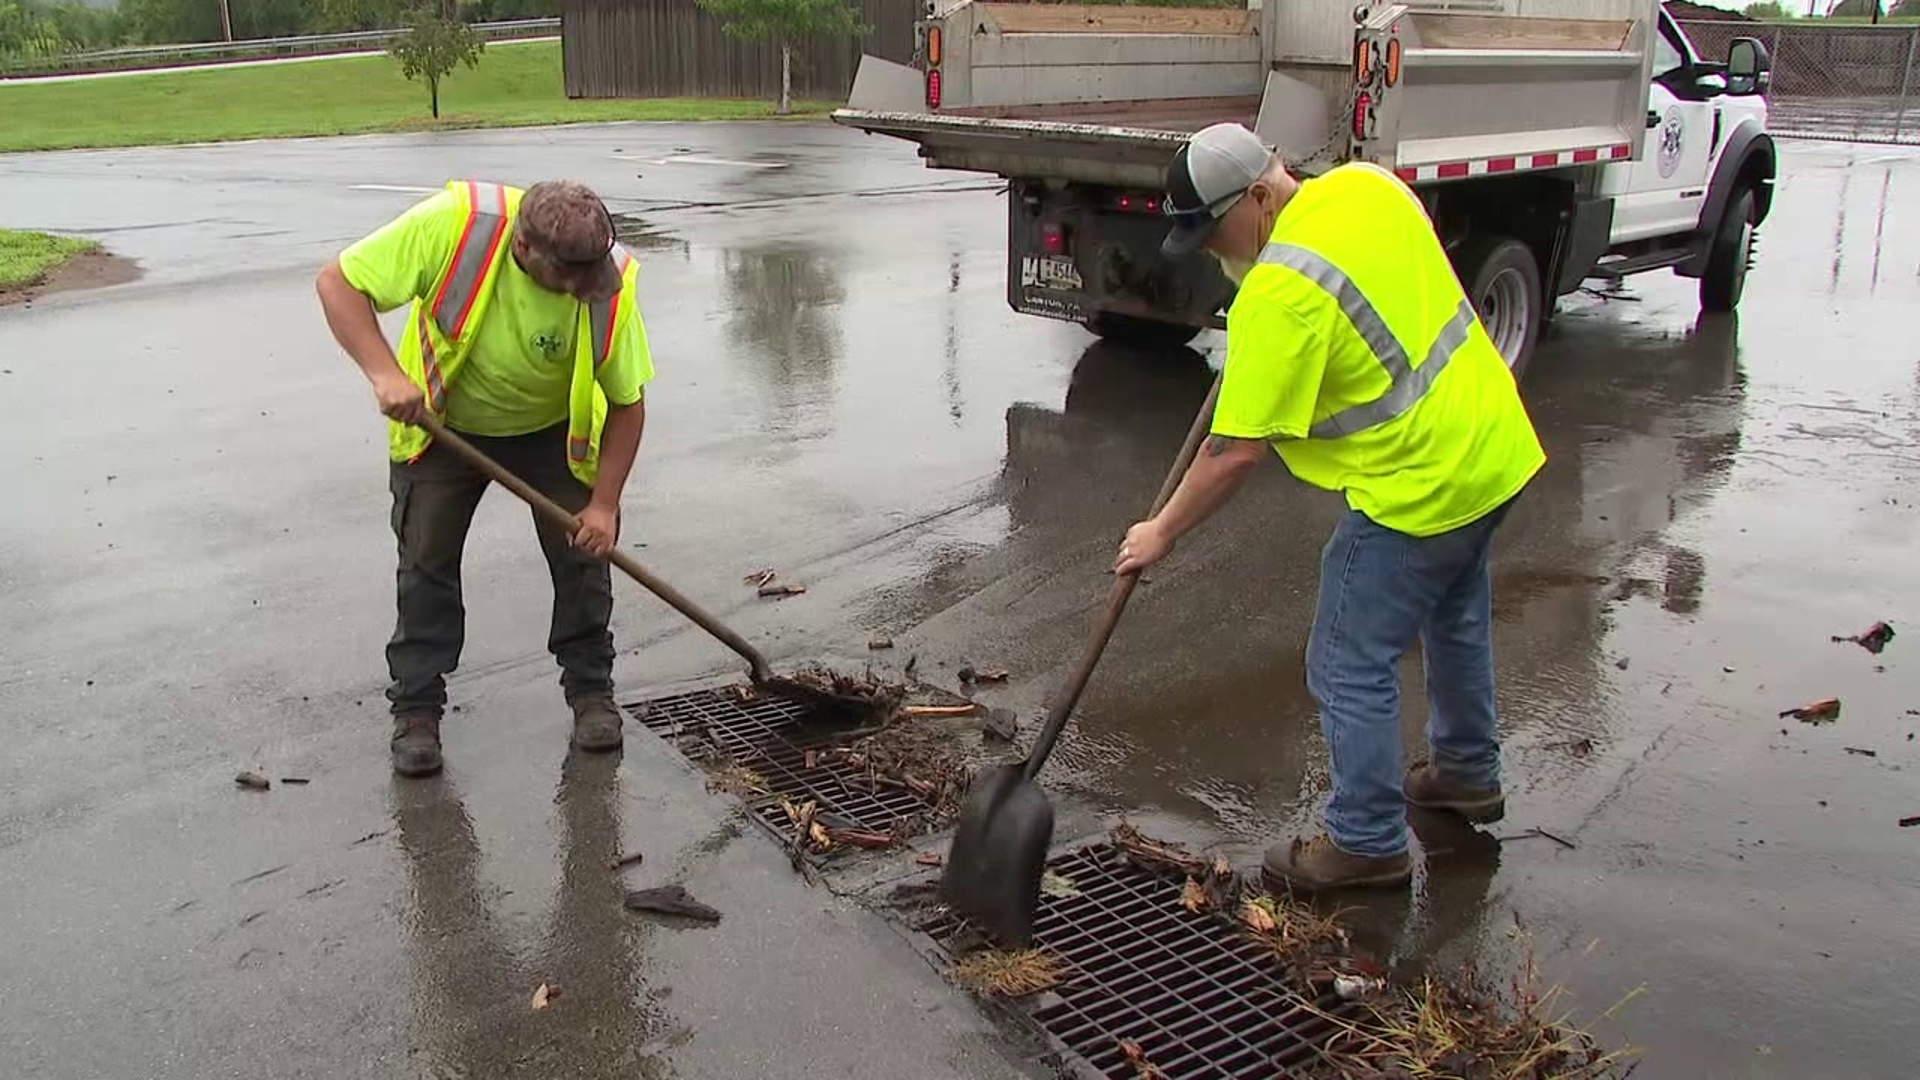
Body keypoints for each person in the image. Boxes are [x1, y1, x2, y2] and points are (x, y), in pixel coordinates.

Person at [1114, 123, 1546, 891]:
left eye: (1216, 233)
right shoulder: (1365, 186)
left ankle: (1366, 841)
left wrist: (1161, 532)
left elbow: (1233, 452)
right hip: (1493, 449)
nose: (1216, 251)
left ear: (1258, 194)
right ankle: (1466, 773)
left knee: (1348, 658)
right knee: (1454, 612)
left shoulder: (1281, 297)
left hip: (1419, 488)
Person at [317, 179, 653, 777]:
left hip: (553, 431)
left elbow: (627, 403)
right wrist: (383, 373)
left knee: (583, 561)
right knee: (426, 563)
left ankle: (592, 694)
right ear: (524, 248)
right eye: (570, 275)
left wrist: (603, 506)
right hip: (445, 423)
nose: (584, 289)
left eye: (591, 272)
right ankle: (417, 712)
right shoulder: (457, 226)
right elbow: (339, 283)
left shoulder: (609, 284)